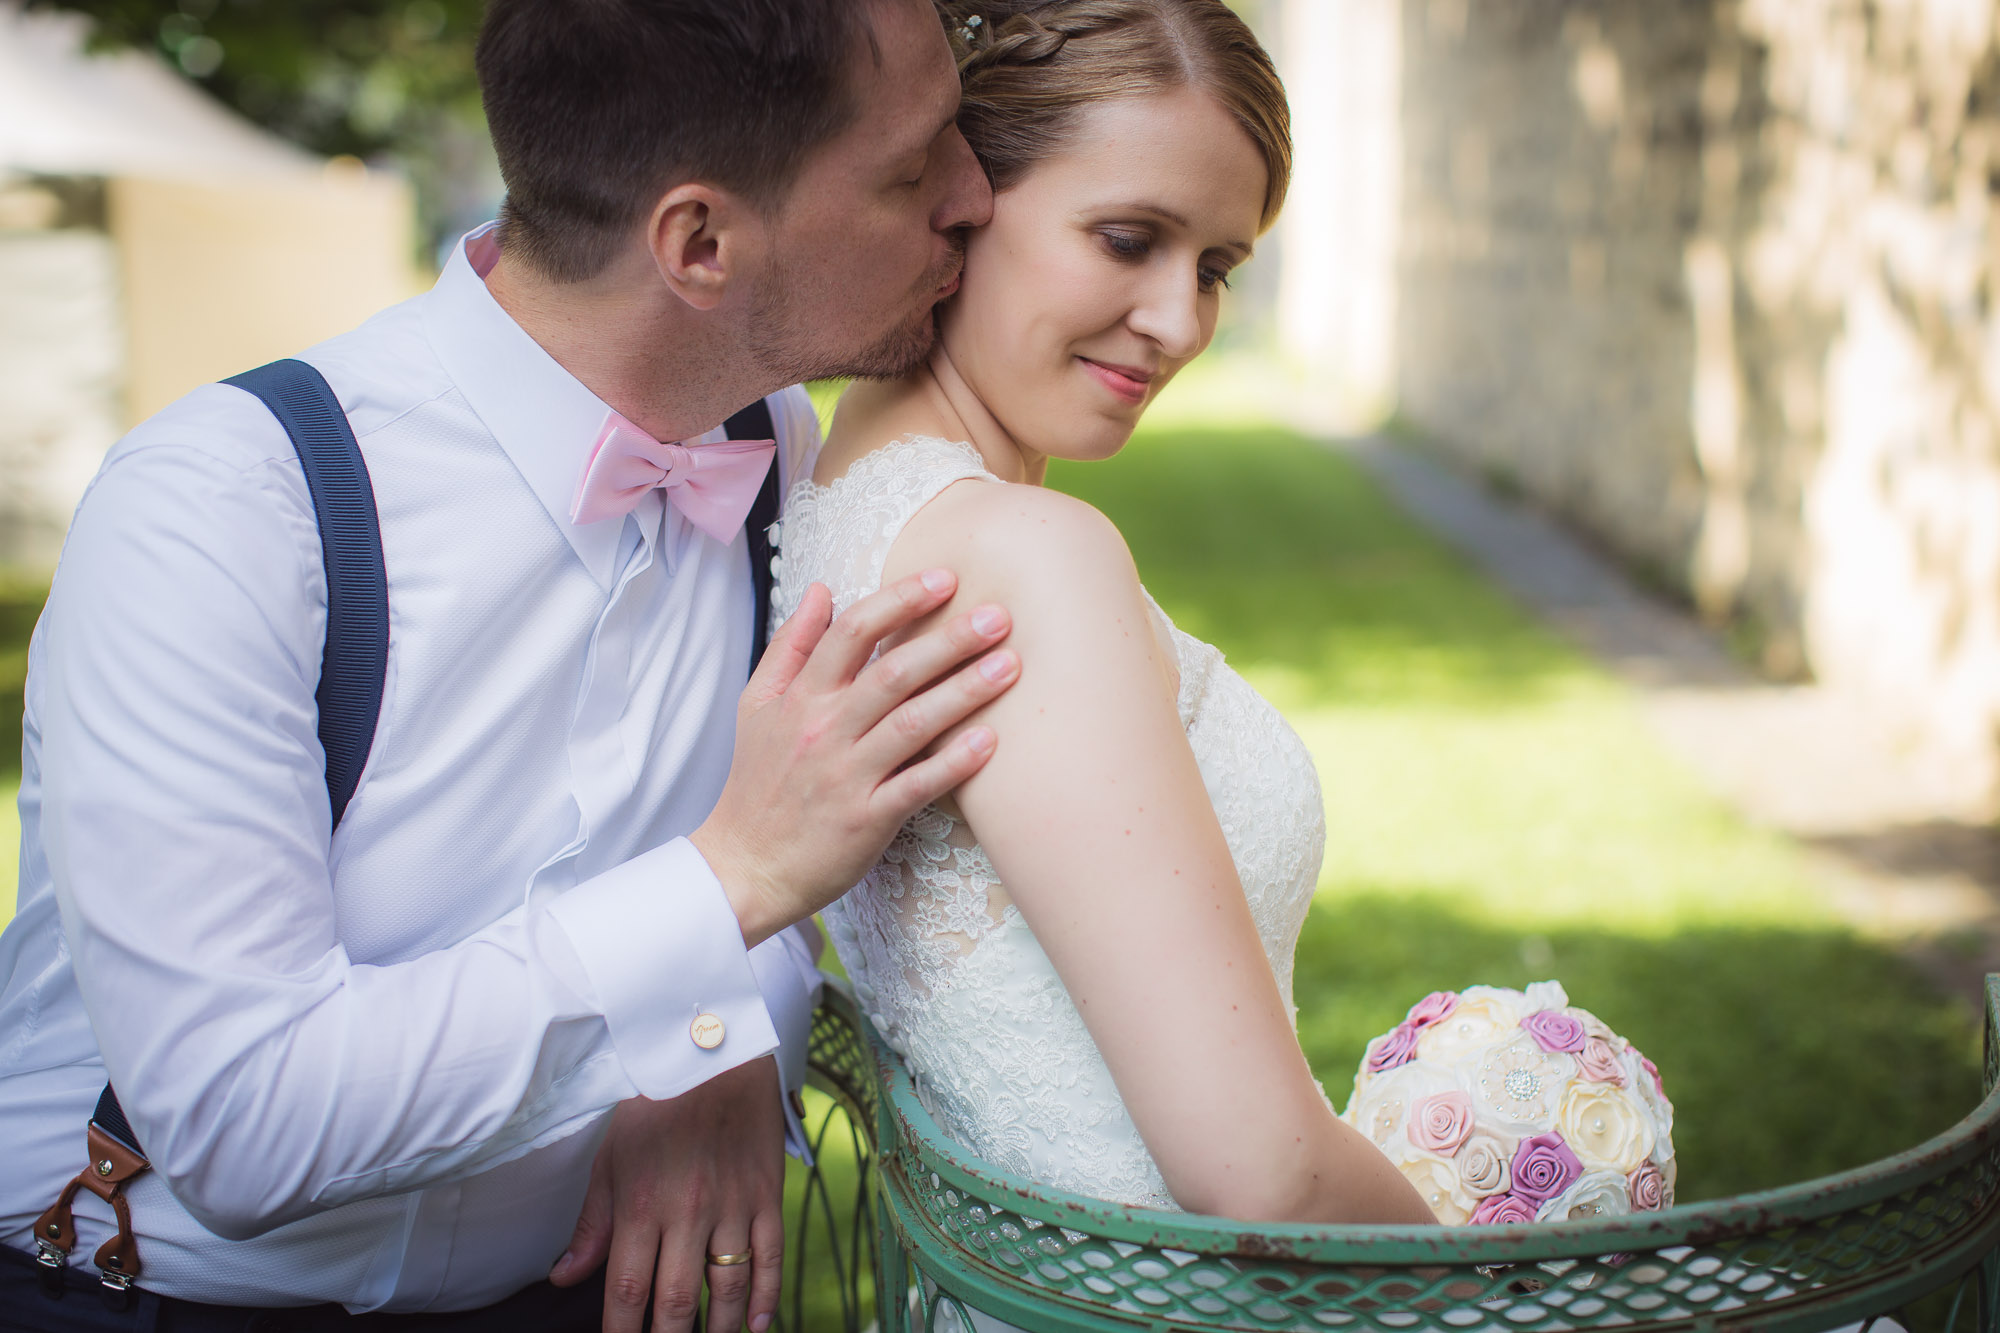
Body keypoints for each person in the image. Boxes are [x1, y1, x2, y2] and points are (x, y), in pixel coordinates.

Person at [0, 2, 1019, 1330]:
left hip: (574, 1292)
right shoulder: (228, 510)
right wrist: (731, 890)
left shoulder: (770, 440)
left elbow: (813, 831)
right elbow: (242, 1121)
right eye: (912, 166)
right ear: (700, 243)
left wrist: (720, 1038)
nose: (976, 196)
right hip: (149, 1290)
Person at [774, 0, 1437, 1290]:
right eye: (1128, 240)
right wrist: (1546, 1287)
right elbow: (1265, 1178)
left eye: (1216, 269)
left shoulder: (839, 502)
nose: (1179, 323)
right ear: (959, 199)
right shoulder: (1023, 560)